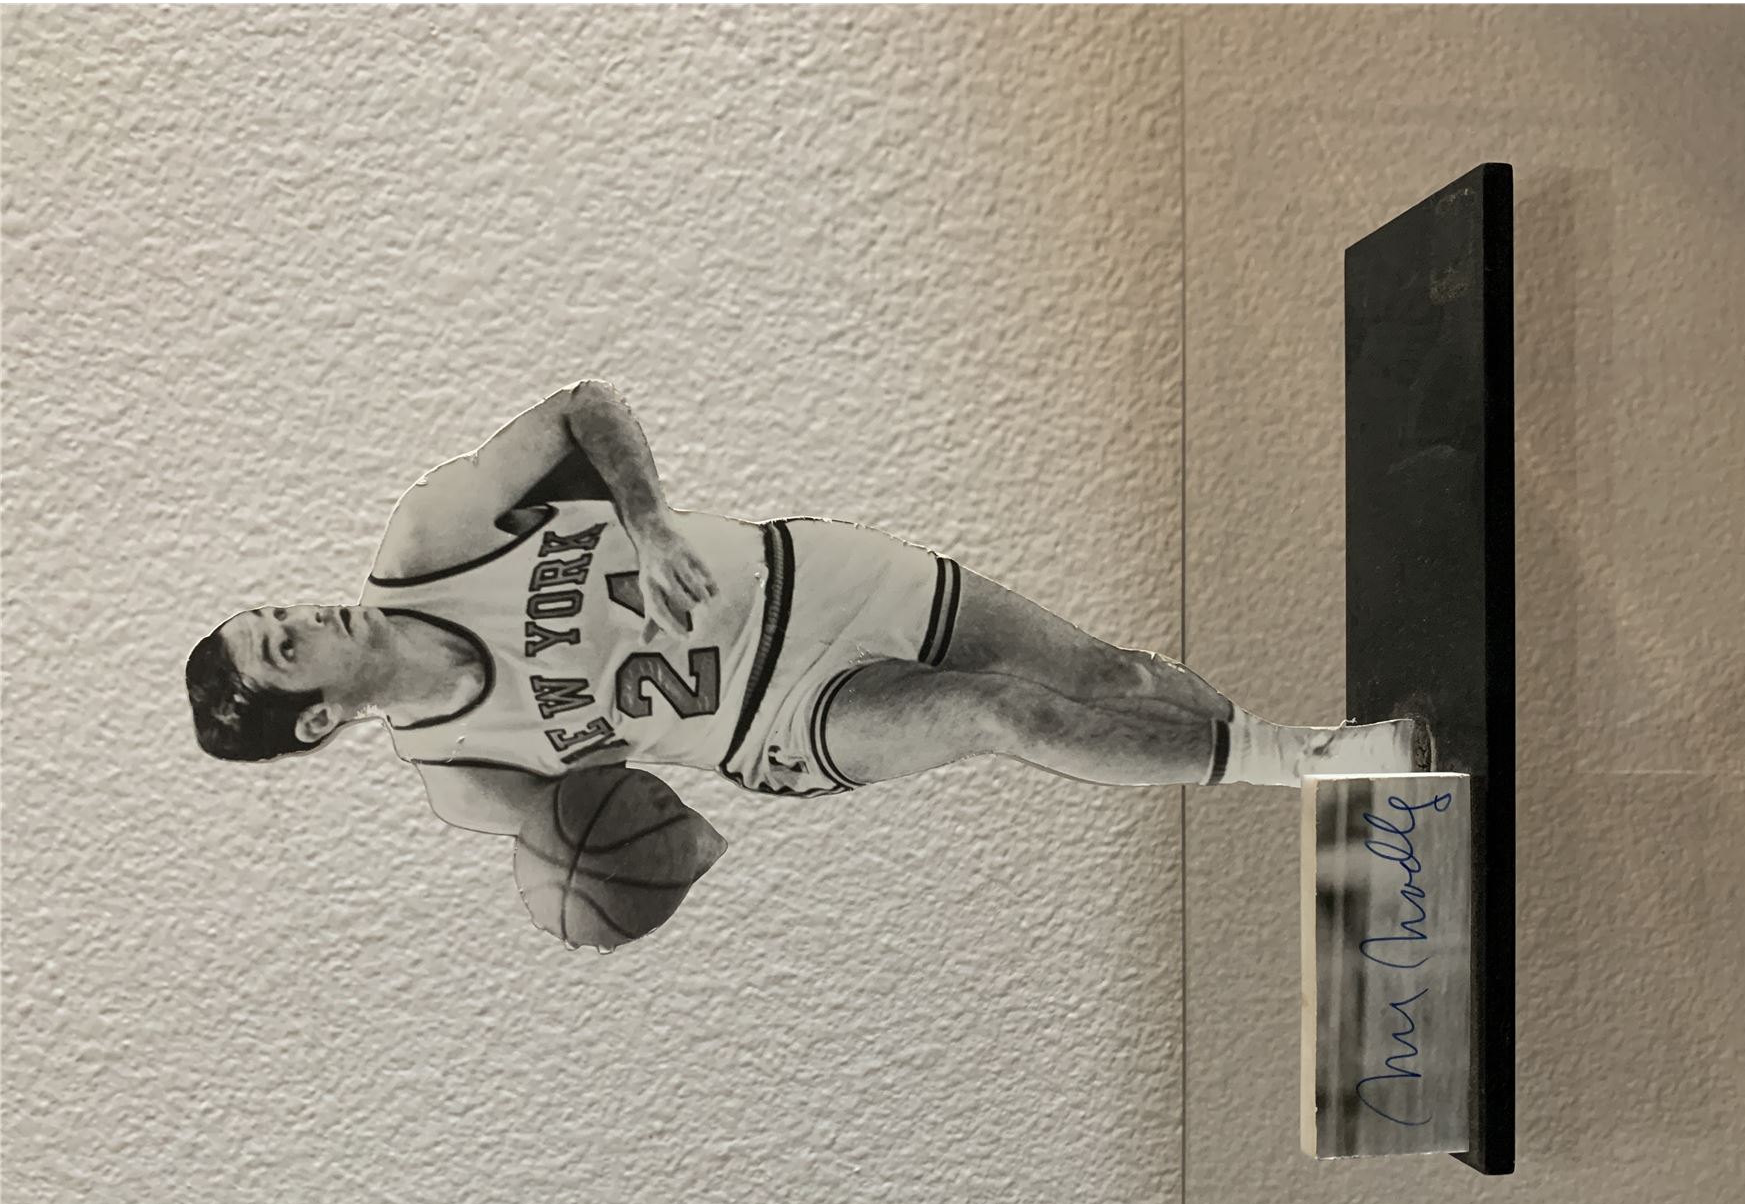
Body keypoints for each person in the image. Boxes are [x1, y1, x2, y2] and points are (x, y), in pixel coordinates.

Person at [186, 383, 1426, 840]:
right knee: (1000, 714)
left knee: (1114, 682)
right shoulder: (463, 775)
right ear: (317, 719)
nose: (307, 616)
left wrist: (645, 522)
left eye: (278, 608)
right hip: (779, 721)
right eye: (286, 646)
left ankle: (1280, 749)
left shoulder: (426, 541)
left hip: (816, 579)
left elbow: (582, 408)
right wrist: (612, 871)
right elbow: (624, 830)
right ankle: (1318, 765)